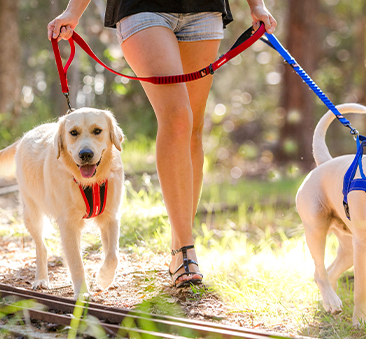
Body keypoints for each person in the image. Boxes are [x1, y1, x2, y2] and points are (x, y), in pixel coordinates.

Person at [48, 0, 277, 287]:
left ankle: (179, 245)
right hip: (142, 6)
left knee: (192, 128)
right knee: (178, 118)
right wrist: (73, 11)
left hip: (204, 8)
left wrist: (257, 5)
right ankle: (185, 251)